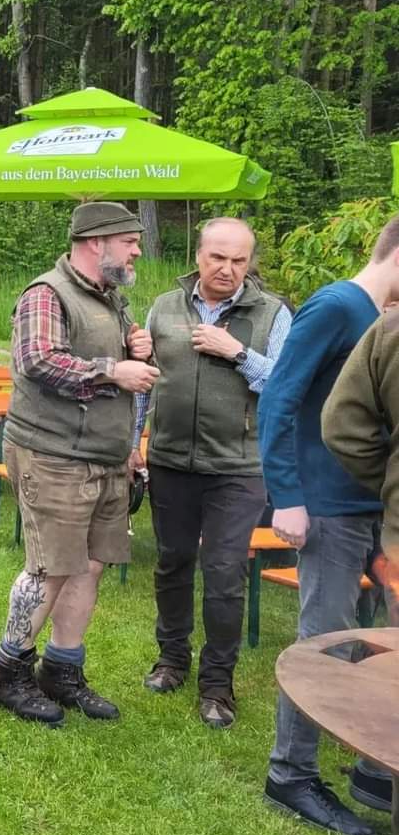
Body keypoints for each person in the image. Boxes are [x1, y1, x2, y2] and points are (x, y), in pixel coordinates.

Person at [0, 202, 158, 726]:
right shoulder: (46, 293)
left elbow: (126, 372)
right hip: (53, 454)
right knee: (51, 567)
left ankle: (62, 668)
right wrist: (114, 369)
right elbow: (36, 360)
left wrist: (136, 348)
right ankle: (7, 670)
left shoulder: (112, 299)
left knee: (90, 565)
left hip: (105, 457)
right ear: (96, 241)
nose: (136, 251)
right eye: (129, 241)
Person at [256, 217, 399, 835]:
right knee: (329, 642)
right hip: (326, 507)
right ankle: (291, 774)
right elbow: (278, 398)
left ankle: (375, 765)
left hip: (376, 508)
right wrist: (287, 496)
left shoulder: (375, 314)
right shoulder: (338, 305)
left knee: (382, 642)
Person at [136, 218, 290, 728]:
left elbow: (285, 387)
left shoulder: (272, 314)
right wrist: (134, 440)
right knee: (172, 561)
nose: (227, 269)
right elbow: (145, 382)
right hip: (170, 459)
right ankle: (171, 659)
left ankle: (217, 684)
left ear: (250, 263)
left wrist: (239, 353)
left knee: (224, 574)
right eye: (217, 257)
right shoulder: (164, 306)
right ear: (198, 256)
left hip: (238, 467)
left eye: (238, 260)